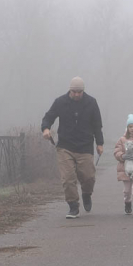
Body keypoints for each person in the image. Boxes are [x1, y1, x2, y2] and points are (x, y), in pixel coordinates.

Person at [42, 77, 104, 218]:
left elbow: (97, 125)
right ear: (70, 90)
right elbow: (48, 117)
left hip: (85, 146)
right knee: (68, 178)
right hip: (65, 146)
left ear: (83, 91)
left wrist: (99, 143)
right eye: (74, 91)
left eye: (79, 92)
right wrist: (45, 129)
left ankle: (86, 194)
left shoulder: (91, 102)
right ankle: (73, 206)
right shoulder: (60, 102)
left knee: (88, 177)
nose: (76, 94)